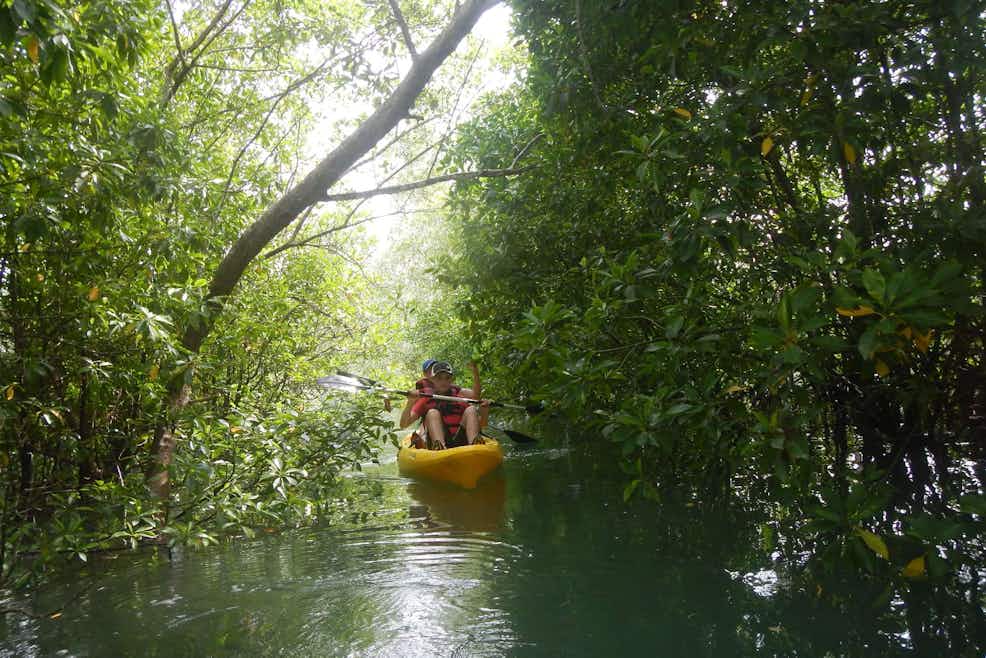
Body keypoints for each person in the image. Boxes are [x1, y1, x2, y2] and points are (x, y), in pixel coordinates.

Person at [400, 361, 489, 450]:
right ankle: (440, 447)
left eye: (447, 378)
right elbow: (403, 425)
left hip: (461, 439)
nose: (444, 381)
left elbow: (482, 423)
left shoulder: (459, 397)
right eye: (439, 378)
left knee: (471, 409)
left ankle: (475, 445)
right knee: (432, 412)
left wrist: (484, 410)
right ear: (432, 380)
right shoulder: (425, 399)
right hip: (438, 443)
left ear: (451, 379)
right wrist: (410, 402)